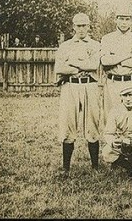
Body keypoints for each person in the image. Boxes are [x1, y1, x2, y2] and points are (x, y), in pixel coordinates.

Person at [54, 13, 101, 177]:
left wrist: (72, 63)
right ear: (73, 27)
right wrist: (81, 68)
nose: (81, 29)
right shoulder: (65, 45)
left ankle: (95, 166)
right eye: (78, 25)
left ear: (89, 27)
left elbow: (94, 65)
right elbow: (59, 68)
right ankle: (66, 167)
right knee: (68, 123)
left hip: (90, 85)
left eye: (84, 25)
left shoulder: (95, 45)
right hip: (70, 86)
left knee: (93, 122)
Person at [100, 7, 132, 126]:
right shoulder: (107, 38)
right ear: (116, 20)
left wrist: (116, 59)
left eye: (127, 19)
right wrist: (128, 56)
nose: (124, 22)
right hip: (113, 81)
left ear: (131, 21)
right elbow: (105, 61)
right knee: (112, 114)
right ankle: (113, 143)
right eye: (121, 19)